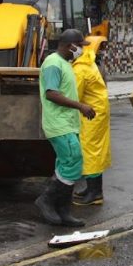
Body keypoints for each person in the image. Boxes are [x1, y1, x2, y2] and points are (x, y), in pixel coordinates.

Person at [35, 29, 96, 226]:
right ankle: (46, 200)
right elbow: (51, 94)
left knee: (66, 165)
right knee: (73, 161)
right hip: (59, 125)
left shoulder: (65, 63)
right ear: (71, 46)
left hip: (67, 124)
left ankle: (63, 210)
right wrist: (81, 106)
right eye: (79, 46)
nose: (81, 50)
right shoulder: (53, 64)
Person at [72, 37, 111, 206]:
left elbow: (75, 95)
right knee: (93, 151)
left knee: (90, 152)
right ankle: (92, 189)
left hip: (91, 114)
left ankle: (95, 193)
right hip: (97, 112)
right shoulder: (88, 61)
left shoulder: (80, 69)